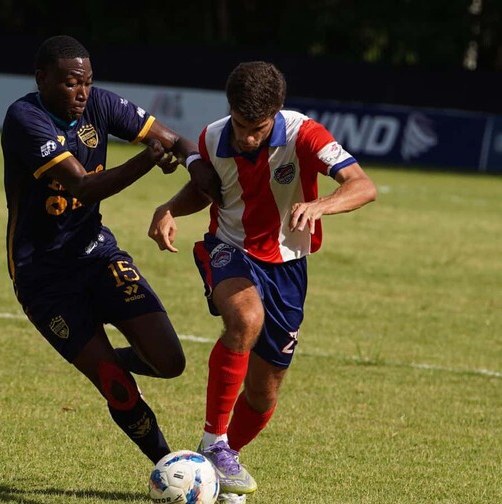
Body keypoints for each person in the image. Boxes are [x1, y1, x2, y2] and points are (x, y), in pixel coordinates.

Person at [147, 61, 378, 499]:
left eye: (258, 127)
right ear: (229, 110)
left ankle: (220, 460)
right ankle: (215, 441)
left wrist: (321, 206)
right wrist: (170, 209)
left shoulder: (304, 134)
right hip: (228, 247)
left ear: (277, 113)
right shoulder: (213, 137)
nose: (248, 136)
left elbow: (362, 185)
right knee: (245, 320)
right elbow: (206, 189)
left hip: (288, 264)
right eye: (241, 124)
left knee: (264, 391)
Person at [1, 35, 212, 465]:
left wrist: (197, 167)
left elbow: (171, 139)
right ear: (42, 79)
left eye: (87, 82)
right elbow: (83, 184)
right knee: (116, 385)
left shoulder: (100, 103)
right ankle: (169, 467)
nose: (81, 93)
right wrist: (148, 160)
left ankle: (99, 359)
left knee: (169, 361)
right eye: (70, 84)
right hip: (43, 278)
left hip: (97, 254)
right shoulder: (25, 118)